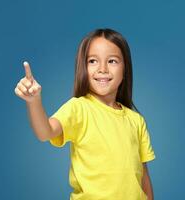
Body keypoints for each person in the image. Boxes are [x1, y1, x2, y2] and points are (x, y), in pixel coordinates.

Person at [14, 28, 156, 200]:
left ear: (125, 69)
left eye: (112, 61)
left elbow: (143, 176)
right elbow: (45, 132)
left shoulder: (136, 121)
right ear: (83, 67)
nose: (102, 69)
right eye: (93, 61)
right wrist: (34, 101)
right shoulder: (78, 108)